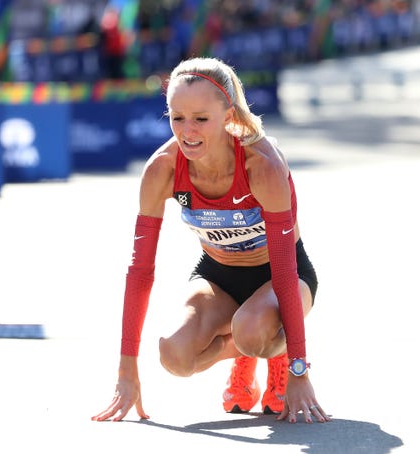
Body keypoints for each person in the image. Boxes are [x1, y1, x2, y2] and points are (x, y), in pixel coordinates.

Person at [91, 57, 329, 424]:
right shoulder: (162, 169)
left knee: (251, 332)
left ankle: (272, 357)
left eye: (201, 119)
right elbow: (139, 272)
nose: (187, 131)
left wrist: (300, 371)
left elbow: (284, 270)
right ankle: (244, 354)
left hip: (282, 276)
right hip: (219, 275)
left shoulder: (261, 166)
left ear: (227, 115)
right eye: (177, 118)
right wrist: (126, 372)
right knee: (174, 356)